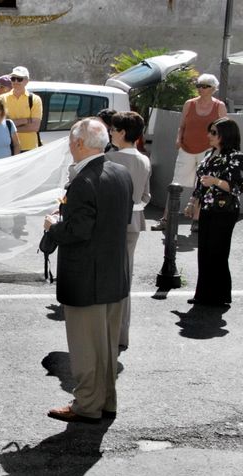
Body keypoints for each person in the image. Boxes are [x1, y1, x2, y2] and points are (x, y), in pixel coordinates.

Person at [43, 118, 133, 423]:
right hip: (114, 274)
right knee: (107, 348)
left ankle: (86, 405)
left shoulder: (83, 181)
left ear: (80, 143)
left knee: (85, 349)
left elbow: (78, 231)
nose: (69, 146)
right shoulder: (120, 172)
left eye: (70, 141)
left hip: (86, 277)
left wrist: (54, 226)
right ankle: (106, 401)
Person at [152, 74, 227, 232]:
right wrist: (178, 139)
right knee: (176, 184)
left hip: (208, 151)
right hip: (186, 148)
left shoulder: (219, 106)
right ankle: (166, 218)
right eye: (198, 85)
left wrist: (220, 149)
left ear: (213, 88)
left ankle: (197, 220)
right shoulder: (189, 104)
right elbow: (182, 125)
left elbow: (224, 130)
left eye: (204, 86)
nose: (200, 88)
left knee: (203, 184)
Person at [184, 118, 242, 307]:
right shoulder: (209, 154)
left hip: (225, 210)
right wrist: (192, 202)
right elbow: (201, 182)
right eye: (210, 131)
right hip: (208, 209)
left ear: (226, 135)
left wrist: (216, 182)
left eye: (214, 132)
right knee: (205, 251)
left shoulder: (235, 157)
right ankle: (203, 294)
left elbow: (237, 188)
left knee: (218, 252)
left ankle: (220, 295)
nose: (209, 135)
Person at [106, 111, 151, 349]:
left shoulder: (110, 159)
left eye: (113, 129)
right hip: (134, 222)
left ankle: (107, 333)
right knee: (126, 279)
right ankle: (122, 334)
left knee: (106, 279)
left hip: (111, 224)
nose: (111, 132)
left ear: (123, 132)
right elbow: (146, 196)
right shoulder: (143, 159)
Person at [1, 66, 43, 153]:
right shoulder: (2, 99)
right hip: (7, 146)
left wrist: (10, 127)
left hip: (29, 148)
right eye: (13, 78)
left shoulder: (35, 100)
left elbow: (35, 127)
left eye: (19, 79)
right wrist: (26, 120)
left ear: (27, 81)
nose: (16, 81)